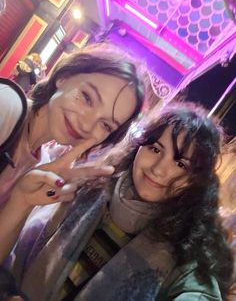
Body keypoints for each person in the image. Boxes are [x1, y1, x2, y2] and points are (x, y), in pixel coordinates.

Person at [11, 102, 233, 301]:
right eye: (155, 149)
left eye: (181, 164)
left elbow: (198, 290)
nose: (158, 169)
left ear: (196, 181)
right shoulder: (90, 189)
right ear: (138, 147)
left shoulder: (187, 245)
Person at [0, 42, 145, 263]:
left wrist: (21, 201)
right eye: (87, 97)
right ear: (64, 77)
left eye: (106, 125)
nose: (87, 125)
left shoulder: (43, 167)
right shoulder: (5, 107)